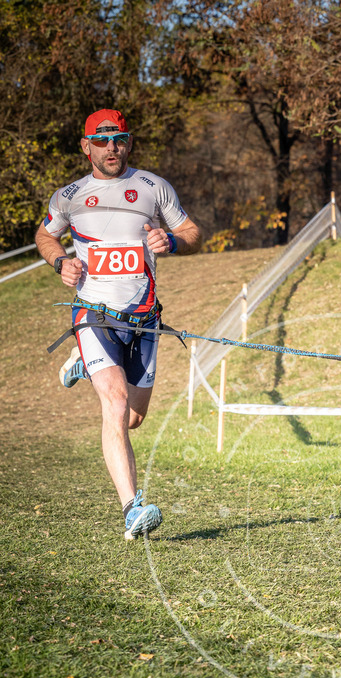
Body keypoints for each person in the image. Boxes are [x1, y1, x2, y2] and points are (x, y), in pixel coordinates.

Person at [35, 109, 202, 541]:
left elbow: (192, 233)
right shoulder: (68, 196)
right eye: (103, 140)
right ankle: (133, 509)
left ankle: (80, 363)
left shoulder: (153, 187)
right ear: (86, 145)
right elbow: (45, 235)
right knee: (113, 399)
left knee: (132, 417)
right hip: (94, 314)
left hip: (144, 319)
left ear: (128, 143)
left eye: (120, 139)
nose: (113, 148)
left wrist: (172, 242)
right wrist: (60, 262)